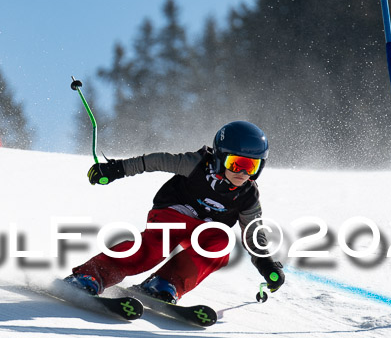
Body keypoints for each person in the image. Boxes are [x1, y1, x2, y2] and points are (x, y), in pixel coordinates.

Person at [65, 120, 284, 303]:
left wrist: (266, 264)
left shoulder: (248, 196)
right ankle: (90, 275)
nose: (243, 173)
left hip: (205, 232)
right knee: (154, 248)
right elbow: (154, 161)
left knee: (222, 245)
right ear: (220, 157)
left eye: (252, 167)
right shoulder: (197, 164)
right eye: (237, 164)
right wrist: (116, 169)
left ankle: (165, 283)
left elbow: (253, 234)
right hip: (172, 215)